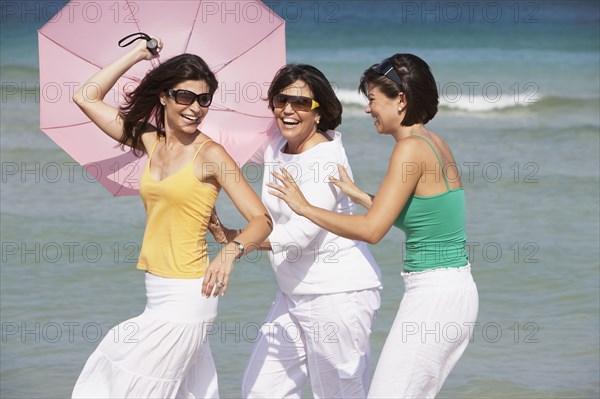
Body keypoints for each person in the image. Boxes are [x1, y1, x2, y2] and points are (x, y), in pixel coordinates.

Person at [70, 37, 272, 398]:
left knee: (132, 386)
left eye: (204, 99)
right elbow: (85, 97)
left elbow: (261, 220)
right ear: (164, 96)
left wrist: (230, 251)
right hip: (157, 291)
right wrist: (137, 54)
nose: (195, 107)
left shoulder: (212, 155)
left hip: (190, 293)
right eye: (185, 97)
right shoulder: (151, 141)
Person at [268, 54, 479, 398]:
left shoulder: (409, 150)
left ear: (401, 100)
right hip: (451, 291)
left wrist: (304, 207)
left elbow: (372, 231)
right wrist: (359, 194)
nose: (369, 109)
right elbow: (418, 215)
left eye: (372, 99)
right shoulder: (432, 142)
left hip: (435, 297)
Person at [208, 64, 382, 398]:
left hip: (337, 295)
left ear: (319, 112)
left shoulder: (325, 160)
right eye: (281, 100)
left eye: (301, 103)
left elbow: (298, 235)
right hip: (293, 293)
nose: (288, 110)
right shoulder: (276, 144)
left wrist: (235, 245)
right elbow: (228, 142)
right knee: (261, 391)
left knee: (339, 393)